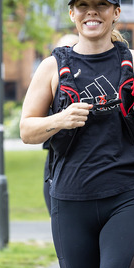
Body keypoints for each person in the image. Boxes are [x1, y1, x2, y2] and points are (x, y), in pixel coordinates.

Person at [19, 0, 134, 268]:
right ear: (72, 14)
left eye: (101, 5)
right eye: (82, 5)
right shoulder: (51, 67)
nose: (92, 12)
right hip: (71, 201)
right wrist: (60, 119)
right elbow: (27, 130)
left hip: (127, 196)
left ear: (116, 12)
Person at [42, 34, 79, 216]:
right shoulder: (49, 86)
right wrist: (60, 119)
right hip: (57, 175)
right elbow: (28, 131)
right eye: (60, 52)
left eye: (71, 50)